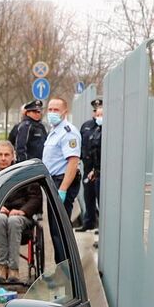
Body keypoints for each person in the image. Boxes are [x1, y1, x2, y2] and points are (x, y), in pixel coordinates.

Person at [0, 141, 43, 283]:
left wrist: (22, 211)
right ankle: (1, 269)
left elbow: (36, 198)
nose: (3, 158)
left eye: (6, 154)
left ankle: (14, 270)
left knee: (13, 220)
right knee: (1, 218)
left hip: (22, 218)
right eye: (0, 155)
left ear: (13, 156)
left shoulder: (25, 175)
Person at [41, 97, 81, 221]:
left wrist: (63, 189)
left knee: (60, 226)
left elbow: (73, 162)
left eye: (56, 110)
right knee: (55, 226)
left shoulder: (68, 133)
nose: (52, 113)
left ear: (65, 112)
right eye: (50, 109)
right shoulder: (54, 131)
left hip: (62, 181)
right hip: (53, 181)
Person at [77, 98, 103, 233]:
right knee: (88, 195)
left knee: (101, 196)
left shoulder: (105, 127)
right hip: (88, 166)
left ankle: (101, 224)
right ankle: (89, 221)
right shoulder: (86, 126)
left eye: (99, 112)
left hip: (99, 167)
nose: (97, 115)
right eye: (95, 112)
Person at [10, 99, 47, 165]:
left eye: (39, 112)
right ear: (27, 113)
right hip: (30, 165)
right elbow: (21, 148)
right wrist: (25, 164)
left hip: (40, 163)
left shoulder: (41, 126)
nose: (37, 114)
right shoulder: (26, 126)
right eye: (34, 111)